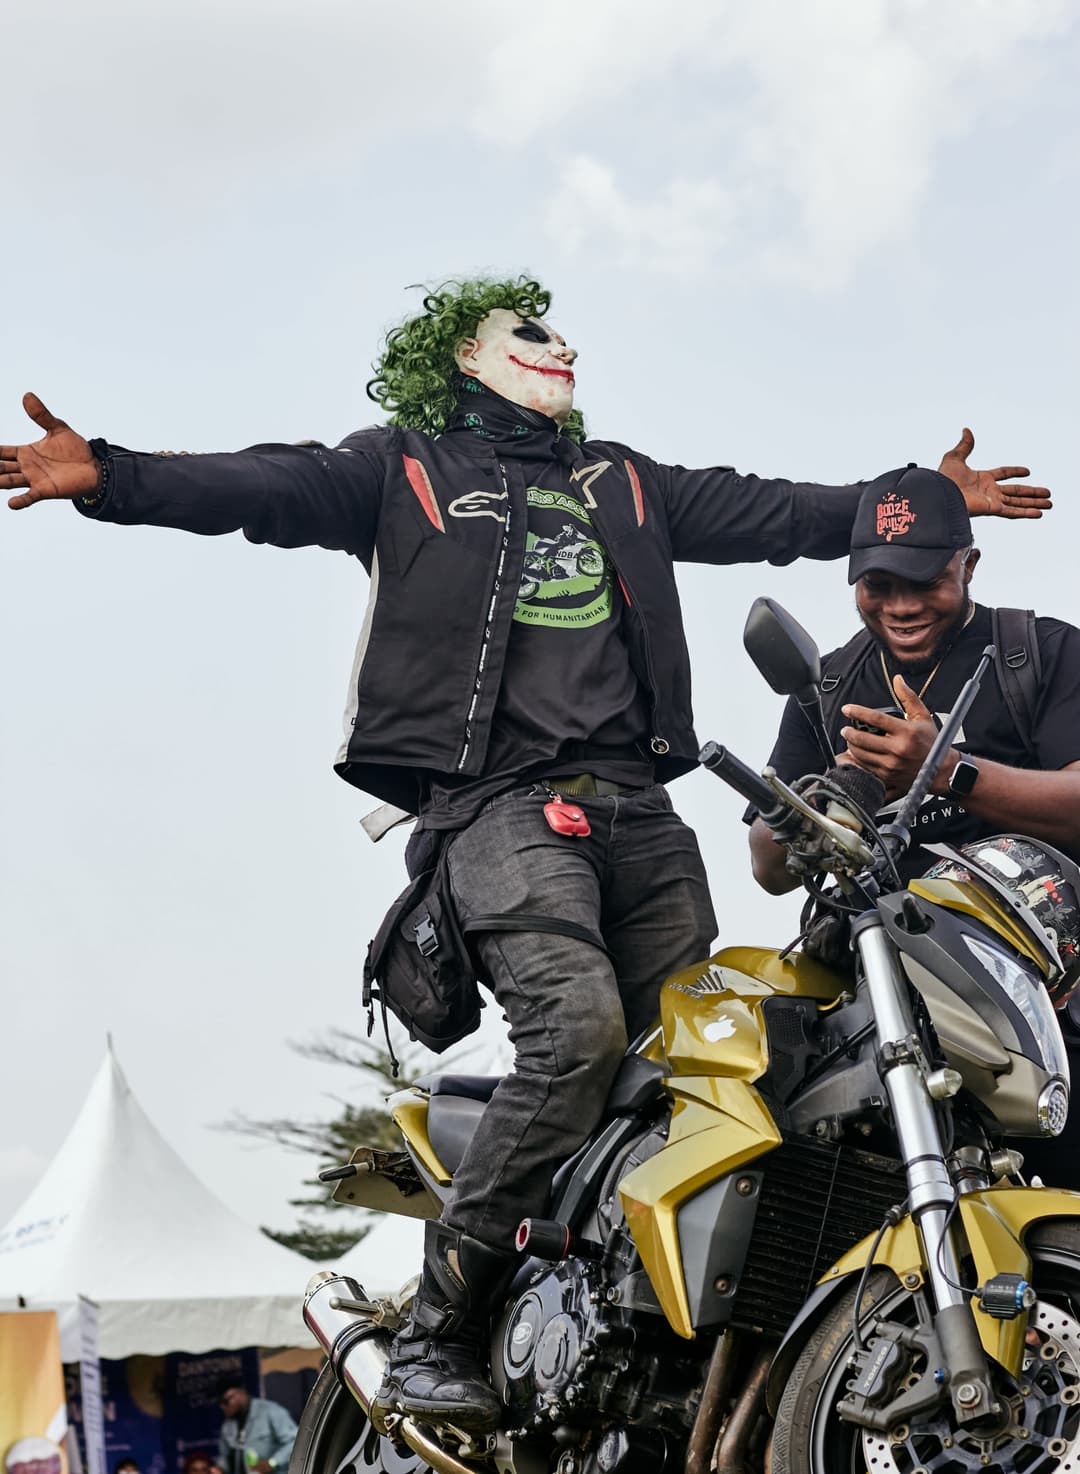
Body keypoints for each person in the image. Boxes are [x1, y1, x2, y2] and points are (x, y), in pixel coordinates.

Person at [1, 277, 1049, 1434]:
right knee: (581, 1030)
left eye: (566, 338)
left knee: (712, 1071)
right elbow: (266, 484)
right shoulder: (402, 468)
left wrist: (911, 501)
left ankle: (632, 1332)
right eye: (530, 333)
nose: (562, 352)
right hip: (500, 808)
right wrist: (109, 473)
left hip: (642, 816)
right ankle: (440, 1326)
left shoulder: (628, 481)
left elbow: (775, 510)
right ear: (463, 353)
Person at [747, 465, 1080, 898]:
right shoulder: (827, 686)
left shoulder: (1043, 650)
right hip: (865, 947)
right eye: (878, 585)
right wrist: (835, 794)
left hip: (1024, 944)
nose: (901, 607)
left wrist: (947, 771)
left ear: (968, 565)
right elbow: (768, 871)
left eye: (925, 583)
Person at [215, 1379, 296, 1474]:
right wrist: (220, 1468)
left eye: (225, 1401)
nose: (223, 1407)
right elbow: (225, 1455)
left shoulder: (271, 1411)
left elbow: (295, 1442)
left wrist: (273, 1462)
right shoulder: (227, 1425)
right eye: (220, 1403)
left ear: (241, 1393)